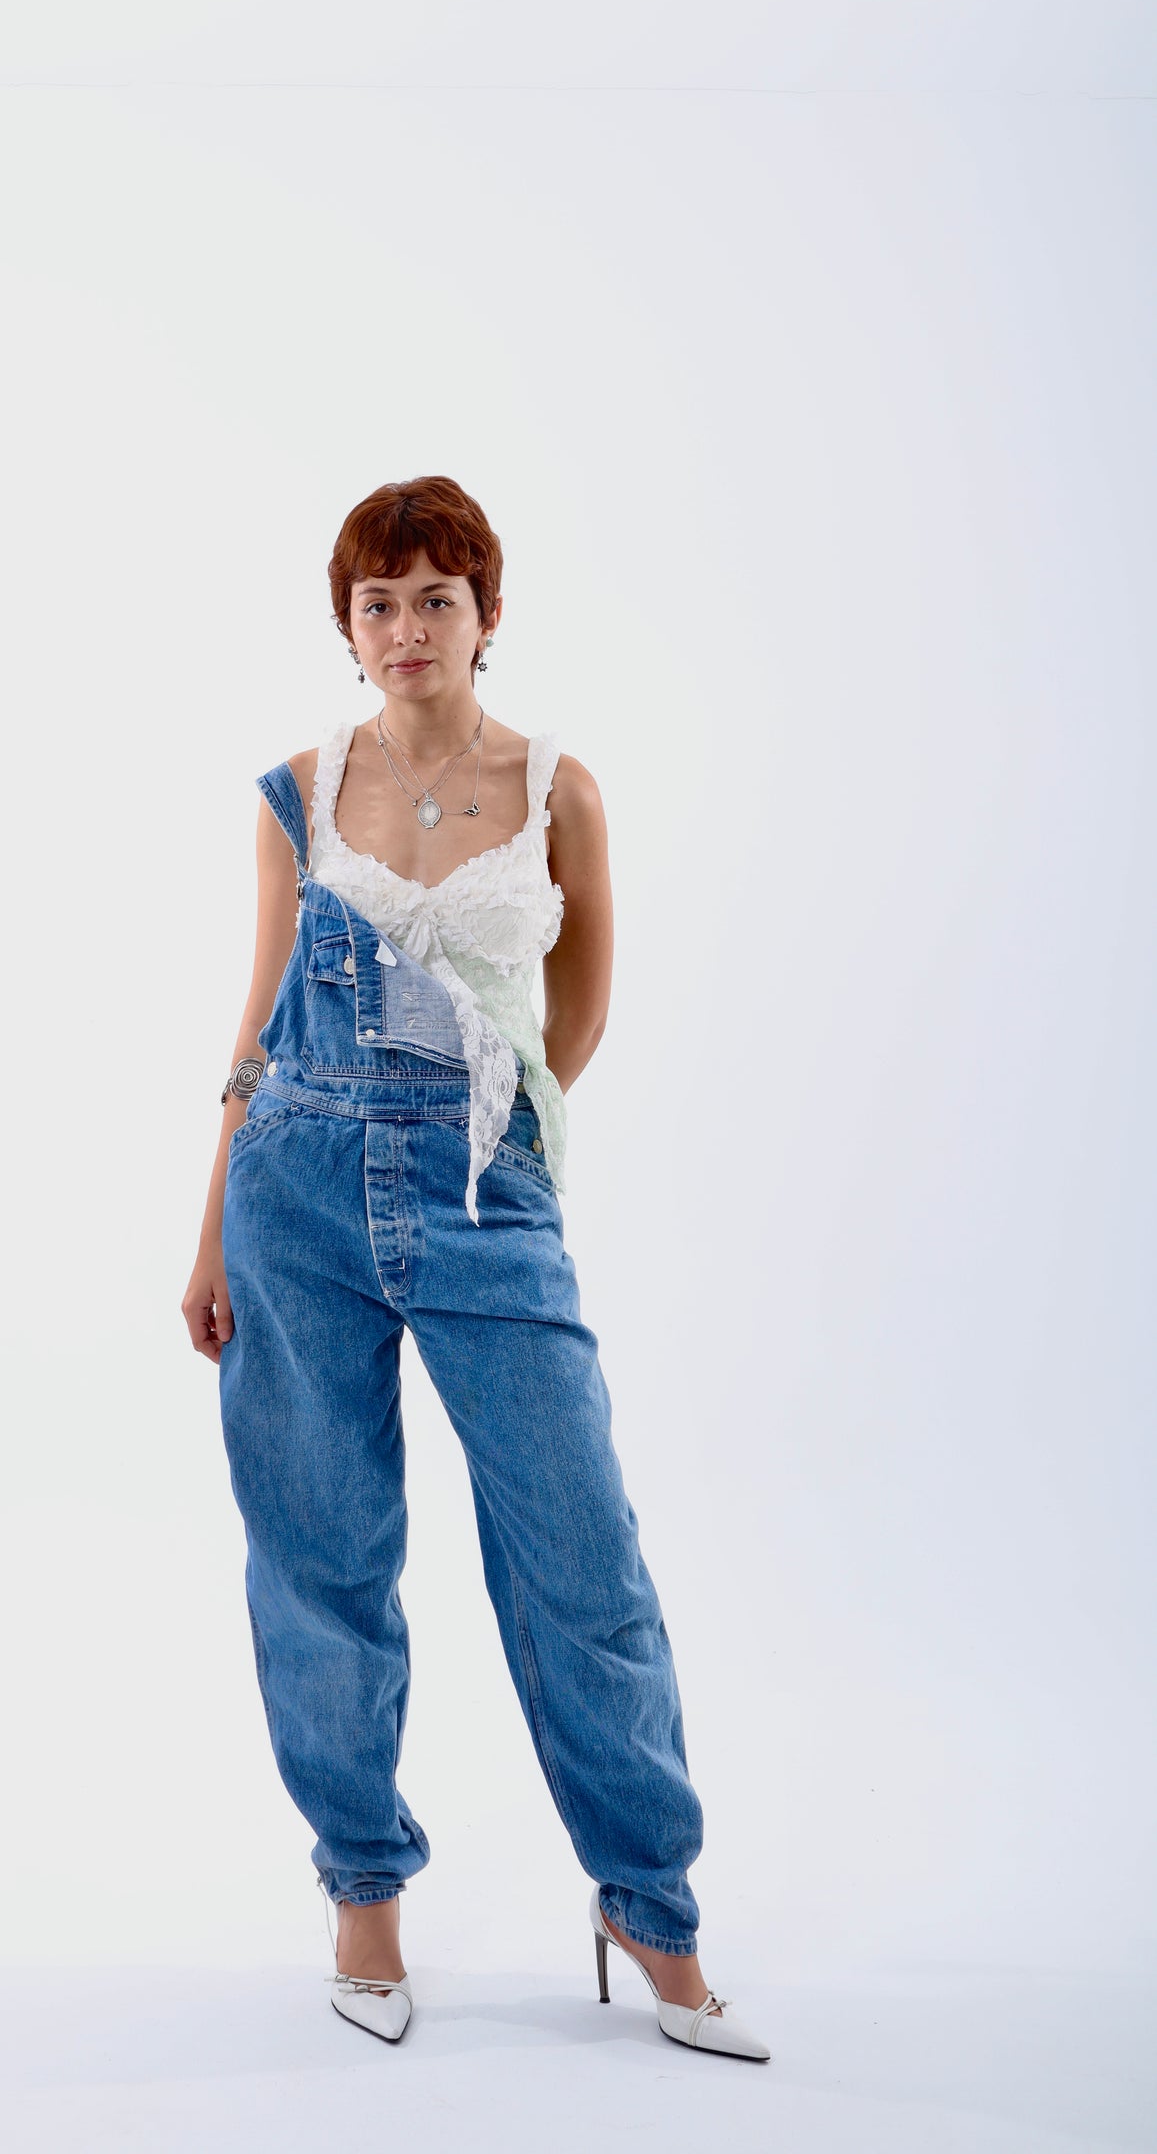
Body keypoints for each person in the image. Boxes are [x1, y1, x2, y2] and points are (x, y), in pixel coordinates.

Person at [181, 475, 770, 2061]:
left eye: (434, 597)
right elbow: (256, 1027)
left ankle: (649, 1907)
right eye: (376, 603)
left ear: (485, 614)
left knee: (582, 1565)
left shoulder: (557, 787)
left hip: (481, 1198)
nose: (406, 627)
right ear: (346, 626)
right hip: (295, 1190)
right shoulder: (293, 792)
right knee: (321, 1556)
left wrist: (495, 1143)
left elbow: (575, 1014)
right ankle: (363, 1896)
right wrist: (211, 1221)